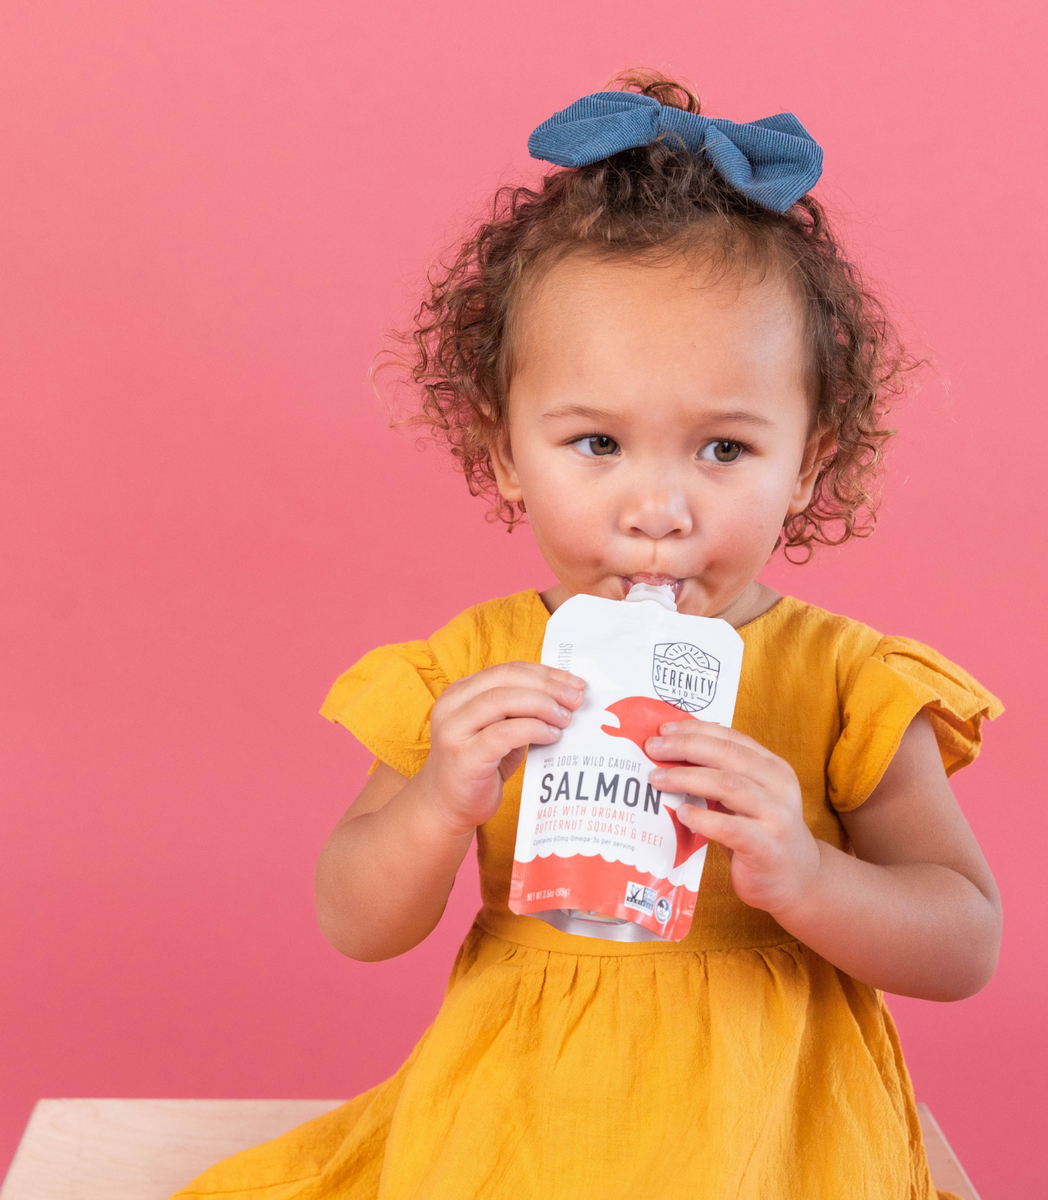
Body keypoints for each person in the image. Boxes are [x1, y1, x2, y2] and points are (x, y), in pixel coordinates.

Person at [173, 71, 1002, 1200]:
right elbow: (353, 920)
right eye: (596, 443)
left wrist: (805, 875)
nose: (655, 508)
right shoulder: (469, 669)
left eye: (723, 450)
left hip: (774, 1134)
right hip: (527, 1115)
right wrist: (436, 805)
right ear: (506, 449)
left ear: (809, 462)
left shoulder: (849, 682)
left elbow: (962, 943)